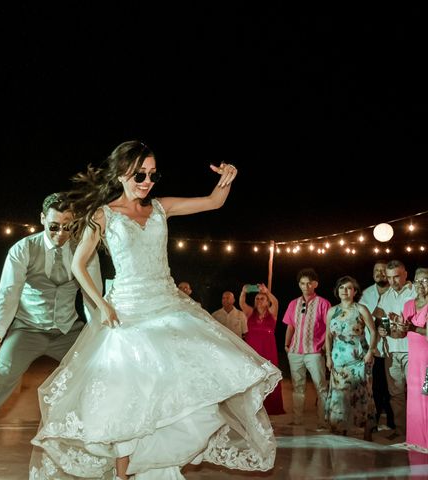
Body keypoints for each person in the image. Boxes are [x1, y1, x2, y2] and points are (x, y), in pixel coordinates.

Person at [29, 140, 281, 479]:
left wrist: (228, 177)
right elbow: (78, 264)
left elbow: (214, 201)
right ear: (121, 174)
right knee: (128, 397)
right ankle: (122, 474)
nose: (147, 181)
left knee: (186, 391)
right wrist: (101, 303)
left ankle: (162, 464)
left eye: (152, 174)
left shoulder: (162, 207)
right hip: (128, 314)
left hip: (169, 308)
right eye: (139, 175)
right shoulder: (103, 215)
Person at [0, 193, 101, 479]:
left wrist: (99, 335)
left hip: (67, 330)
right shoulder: (23, 249)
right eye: (54, 226)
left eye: (68, 227)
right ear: (42, 220)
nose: (61, 234)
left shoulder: (84, 249)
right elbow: (8, 294)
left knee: (97, 376)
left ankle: (95, 444)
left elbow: (93, 295)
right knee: (3, 377)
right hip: (27, 329)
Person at [324, 276, 377, 441]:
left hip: (359, 359)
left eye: (348, 288)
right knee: (339, 395)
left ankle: (366, 431)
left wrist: (371, 352)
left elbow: (373, 332)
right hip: (338, 360)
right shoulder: (332, 311)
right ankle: (340, 428)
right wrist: (328, 356)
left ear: (354, 291)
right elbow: (328, 336)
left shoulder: (361, 309)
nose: (344, 291)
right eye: (341, 288)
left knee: (362, 394)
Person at [283, 268, 330, 428]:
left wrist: (324, 346)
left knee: (320, 386)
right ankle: (297, 420)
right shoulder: (293, 303)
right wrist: (286, 345)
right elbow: (290, 326)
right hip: (295, 351)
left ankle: (323, 421)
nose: (305, 286)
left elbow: (329, 327)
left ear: (315, 284)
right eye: (302, 283)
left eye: (309, 283)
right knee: (298, 386)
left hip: (314, 352)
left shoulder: (323, 303)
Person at [376, 259, 416, 440]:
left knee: (416, 393)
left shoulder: (416, 292)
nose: (393, 281)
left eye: (397, 277)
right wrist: (380, 329)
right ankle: (401, 431)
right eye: (390, 277)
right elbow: (379, 319)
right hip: (391, 350)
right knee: (396, 394)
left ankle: (418, 431)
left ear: (405, 274)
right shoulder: (386, 296)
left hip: (413, 350)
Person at [359, 260, 395, 431]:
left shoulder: (394, 292)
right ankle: (374, 420)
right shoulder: (366, 294)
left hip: (392, 348)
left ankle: (392, 420)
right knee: (375, 386)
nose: (380, 273)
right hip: (373, 348)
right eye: (376, 270)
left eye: (383, 270)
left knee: (392, 387)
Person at [239, 283, 285, 415]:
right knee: (254, 375)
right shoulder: (249, 313)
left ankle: (271, 406)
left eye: (262, 298)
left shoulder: (272, 313)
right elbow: (242, 302)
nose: (259, 300)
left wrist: (267, 292)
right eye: (257, 298)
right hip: (253, 348)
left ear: (266, 302)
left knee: (268, 374)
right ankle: (254, 405)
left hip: (268, 348)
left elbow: (275, 302)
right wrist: (243, 292)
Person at [398, 268, 428, 449]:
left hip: (427, 361)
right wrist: (393, 328)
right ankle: (416, 440)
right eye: (417, 281)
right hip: (414, 360)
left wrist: (411, 328)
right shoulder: (409, 304)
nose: (420, 285)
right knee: (415, 399)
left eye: (425, 281)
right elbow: (402, 332)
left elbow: (415, 330)